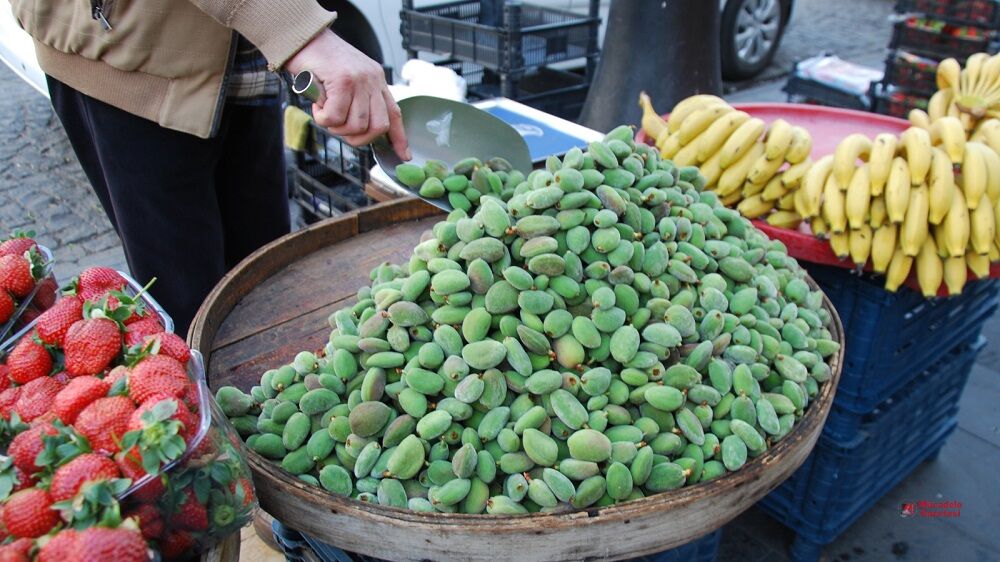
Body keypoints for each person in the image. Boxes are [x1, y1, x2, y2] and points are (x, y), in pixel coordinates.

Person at [9, 0, 409, 336]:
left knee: (266, 289)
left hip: (248, 60)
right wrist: (299, 28)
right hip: (127, 55)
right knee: (187, 309)